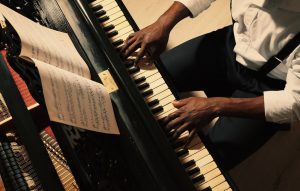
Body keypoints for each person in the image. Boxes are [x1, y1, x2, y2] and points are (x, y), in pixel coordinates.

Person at [121, 0, 300, 170]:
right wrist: (163, 22)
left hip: (272, 86)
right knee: (141, 80)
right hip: (229, 46)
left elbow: (294, 102)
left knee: (206, 162)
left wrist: (216, 106)